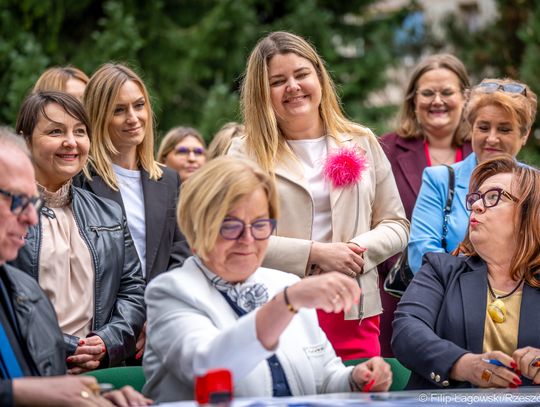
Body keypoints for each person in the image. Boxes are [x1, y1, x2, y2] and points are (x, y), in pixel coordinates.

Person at [143, 157, 392, 402]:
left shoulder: (285, 284)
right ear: (197, 229)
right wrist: (286, 303)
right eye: (230, 225)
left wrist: (354, 380)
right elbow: (207, 367)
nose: (248, 239)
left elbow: (325, 378)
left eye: (260, 224)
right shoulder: (170, 291)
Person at [229, 31, 409, 359]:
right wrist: (316, 253)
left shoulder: (361, 141)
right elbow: (234, 237)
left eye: (301, 74)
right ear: (261, 92)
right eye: (277, 81)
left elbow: (396, 224)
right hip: (277, 310)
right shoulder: (243, 153)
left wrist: (353, 252)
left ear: (320, 78)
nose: (293, 87)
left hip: (352, 308)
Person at [0, 127, 151, 406]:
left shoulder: (23, 291)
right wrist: (22, 393)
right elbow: (36, 390)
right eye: (17, 201)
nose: (31, 218)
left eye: (33, 203)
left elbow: (47, 382)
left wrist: (98, 397)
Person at [392, 156, 540, 389]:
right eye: (476, 198)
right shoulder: (440, 269)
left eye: (493, 197)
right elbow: (407, 331)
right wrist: (462, 364)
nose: (477, 205)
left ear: (530, 213)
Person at [377, 53, 472, 357]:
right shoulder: (385, 150)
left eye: (447, 92)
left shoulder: (484, 150)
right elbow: (373, 219)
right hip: (402, 297)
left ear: (465, 97)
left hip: (474, 299)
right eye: (428, 93)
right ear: (413, 100)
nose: (437, 101)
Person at [408, 78, 537, 273]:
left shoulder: (534, 185)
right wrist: (478, 282)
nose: (492, 138)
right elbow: (421, 255)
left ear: (524, 134)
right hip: (449, 291)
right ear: (471, 129)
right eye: (483, 127)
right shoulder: (440, 180)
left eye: (504, 129)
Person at [81, 63, 191, 283]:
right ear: (99, 116)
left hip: (161, 300)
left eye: (139, 105)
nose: (133, 117)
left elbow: (180, 252)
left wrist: (162, 297)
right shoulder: (81, 181)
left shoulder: (168, 179)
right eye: (119, 110)